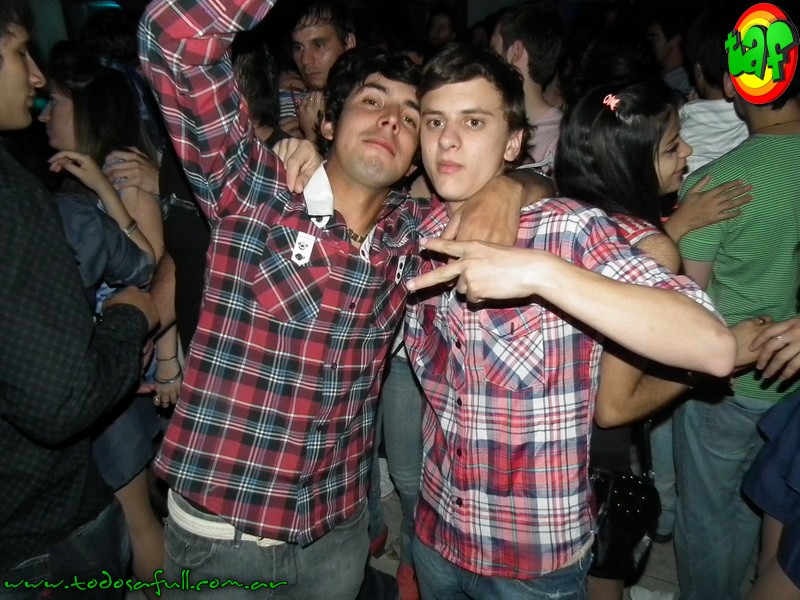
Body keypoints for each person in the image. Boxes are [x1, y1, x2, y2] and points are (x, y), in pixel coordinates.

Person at [139, 1, 549, 597]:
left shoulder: (416, 236)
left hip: (337, 534)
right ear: (328, 124)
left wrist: (511, 186)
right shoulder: (255, 191)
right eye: (373, 102)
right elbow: (173, 39)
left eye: (412, 118)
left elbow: (549, 186)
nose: (391, 122)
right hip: (223, 538)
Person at [403, 43, 735, 600]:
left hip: (533, 562)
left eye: (474, 121)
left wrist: (541, 273)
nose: (449, 140)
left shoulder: (567, 231)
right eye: (435, 121)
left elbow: (713, 347)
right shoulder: (415, 235)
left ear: (513, 142)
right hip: (436, 535)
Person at [0, 0, 158, 595]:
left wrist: (154, 347)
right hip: (44, 488)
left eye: (61, 102)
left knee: (138, 519)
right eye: (21, 53)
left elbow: (145, 266)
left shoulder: (106, 179)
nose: (38, 83)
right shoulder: (42, 191)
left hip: (104, 392)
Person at [674, 66, 800, 600]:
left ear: (733, 85)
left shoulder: (717, 183)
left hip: (731, 377)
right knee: (761, 501)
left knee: (708, 513)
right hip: (791, 380)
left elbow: (692, 303)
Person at [490, 2, 565, 173]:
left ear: (515, 52)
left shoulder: (559, 141)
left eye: (494, 51)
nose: (488, 63)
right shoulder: (495, 124)